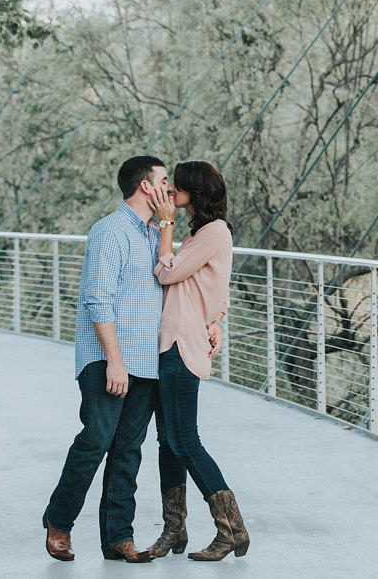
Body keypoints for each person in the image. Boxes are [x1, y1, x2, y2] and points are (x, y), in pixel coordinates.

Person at [42, 156, 169, 563]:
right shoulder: (110, 231)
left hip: (147, 362)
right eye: (164, 181)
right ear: (146, 187)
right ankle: (59, 521)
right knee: (95, 440)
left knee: (128, 452)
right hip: (108, 359)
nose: (170, 187)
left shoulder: (156, 235)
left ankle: (118, 538)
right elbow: (98, 298)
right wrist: (114, 360)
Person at [145, 160, 250, 561]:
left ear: (196, 192)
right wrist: (218, 319)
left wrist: (165, 225)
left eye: (178, 185)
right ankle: (175, 530)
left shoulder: (214, 232)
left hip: (181, 344)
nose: (170, 190)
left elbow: (166, 274)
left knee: (184, 439)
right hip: (174, 341)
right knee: (168, 444)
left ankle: (232, 530)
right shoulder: (203, 232)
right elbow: (218, 289)